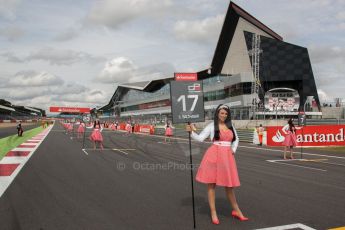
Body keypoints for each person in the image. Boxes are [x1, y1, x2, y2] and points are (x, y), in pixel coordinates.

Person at [186, 104, 248, 225]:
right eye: (222, 113)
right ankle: (213, 212)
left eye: (226, 113)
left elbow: (236, 139)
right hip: (213, 155)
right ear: (217, 113)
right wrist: (191, 132)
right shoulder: (211, 126)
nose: (224, 115)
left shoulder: (230, 126)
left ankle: (237, 211)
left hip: (227, 158)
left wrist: (233, 150)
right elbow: (200, 138)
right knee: (211, 185)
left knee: (229, 186)